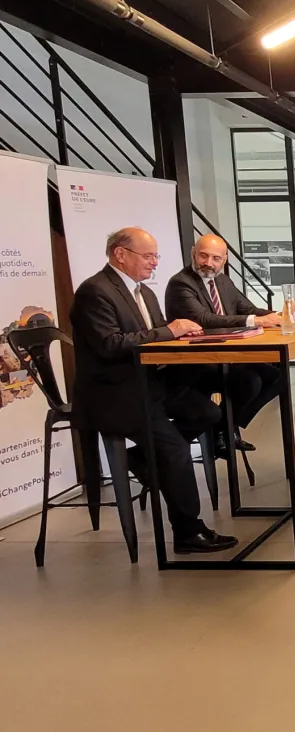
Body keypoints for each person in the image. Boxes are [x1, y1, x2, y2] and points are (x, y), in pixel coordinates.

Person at [69, 227, 238, 554]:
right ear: (121, 254)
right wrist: (170, 330)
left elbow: (159, 337)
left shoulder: (143, 292)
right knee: (174, 449)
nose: (155, 263)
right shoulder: (95, 291)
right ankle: (188, 531)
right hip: (115, 392)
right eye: (149, 256)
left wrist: (180, 337)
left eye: (156, 256)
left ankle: (143, 458)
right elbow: (109, 344)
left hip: (151, 383)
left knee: (209, 411)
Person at [166, 234, 283, 457]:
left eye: (216, 258)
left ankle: (224, 427)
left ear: (225, 260)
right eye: (204, 256)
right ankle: (223, 429)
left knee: (277, 377)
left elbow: (247, 309)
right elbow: (205, 320)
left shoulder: (223, 281)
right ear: (193, 253)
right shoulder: (181, 283)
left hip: (225, 356)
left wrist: (280, 316)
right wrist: (257, 321)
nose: (209, 263)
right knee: (250, 380)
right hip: (196, 363)